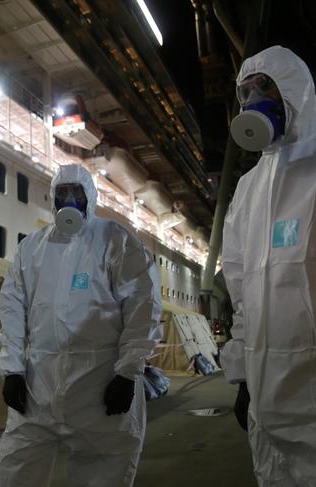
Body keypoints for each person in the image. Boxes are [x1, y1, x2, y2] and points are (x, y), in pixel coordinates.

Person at [0, 164, 161, 487]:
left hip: (99, 386)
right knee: (14, 470)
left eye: (77, 193)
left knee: (102, 471)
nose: (70, 200)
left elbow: (143, 306)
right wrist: (12, 369)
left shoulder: (114, 241)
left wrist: (127, 373)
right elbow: (12, 308)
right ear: (53, 198)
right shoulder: (32, 249)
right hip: (38, 386)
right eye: (62, 193)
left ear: (91, 197)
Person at [221, 45, 316, 485]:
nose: (254, 100)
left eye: (267, 89)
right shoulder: (246, 189)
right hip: (265, 406)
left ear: (296, 96)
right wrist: (241, 377)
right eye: (247, 91)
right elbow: (240, 290)